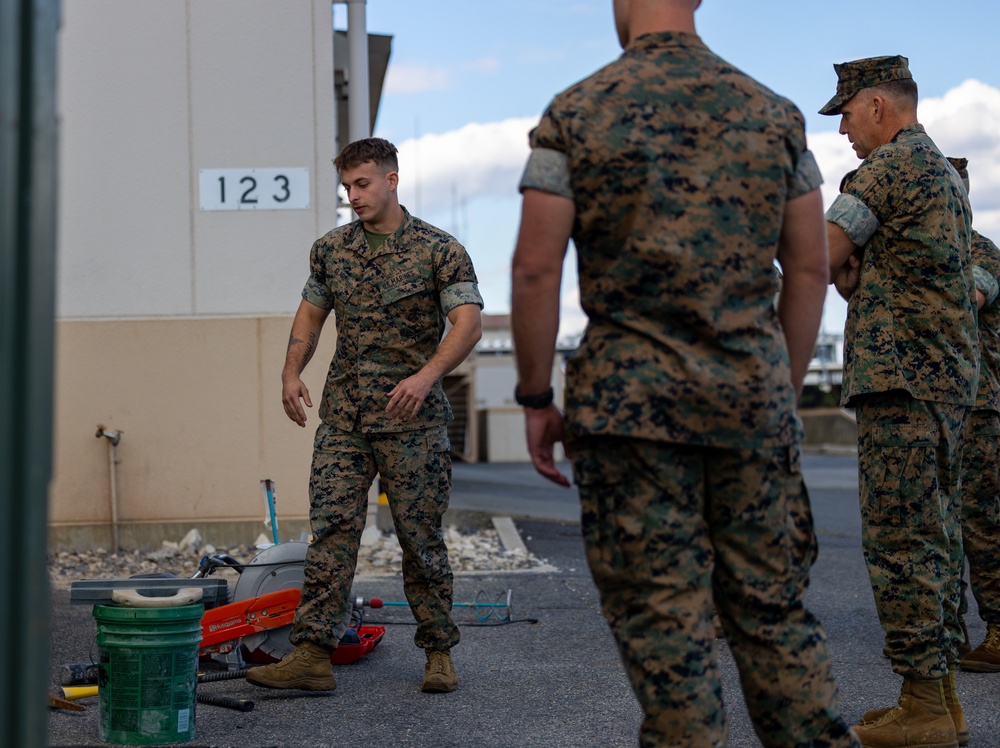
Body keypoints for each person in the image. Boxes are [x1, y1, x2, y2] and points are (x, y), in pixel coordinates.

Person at [510, 2, 858, 746]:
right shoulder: (774, 114)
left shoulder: (576, 111)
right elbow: (808, 266)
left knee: (665, 624)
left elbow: (536, 268)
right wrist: (778, 389)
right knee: (772, 614)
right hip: (751, 403)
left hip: (628, 412)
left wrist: (536, 397)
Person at [246, 137, 483, 694]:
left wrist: (426, 377)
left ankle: (439, 655)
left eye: (362, 184)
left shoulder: (438, 249)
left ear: (392, 180)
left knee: (420, 538)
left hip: (413, 423)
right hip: (345, 419)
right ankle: (311, 654)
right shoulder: (331, 249)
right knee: (331, 533)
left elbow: (468, 324)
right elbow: (309, 317)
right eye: (347, 186)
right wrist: (289, 372)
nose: (353, 196)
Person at [821, 57, 979, 747]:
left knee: (901, 542)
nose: (845, 131)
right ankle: (939, 698)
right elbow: (871, 272)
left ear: (878, 105)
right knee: (936, 538)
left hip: (902, 381)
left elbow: (818, 253)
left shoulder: (886, 169)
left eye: (848, 114)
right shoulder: (943, 171)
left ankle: (925, 707)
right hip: (941, 380)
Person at [946, 158, 1000, 675]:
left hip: (979, 407)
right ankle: (947, 631)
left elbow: (971, 296)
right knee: (941, 524)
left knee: (982, 521)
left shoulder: (980, 250)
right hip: (943, 402)